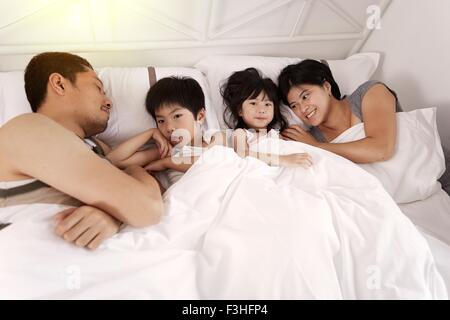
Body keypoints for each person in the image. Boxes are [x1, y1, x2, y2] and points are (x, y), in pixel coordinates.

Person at [0, 52, 164, 250]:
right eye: (98, 88)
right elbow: (147, 207)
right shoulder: (27, 129)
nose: (108, 101)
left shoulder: (99, 149)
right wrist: (132, 177)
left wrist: (113, 215)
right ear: (59, 84)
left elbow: (152, 198)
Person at [220, 68, 313, 167]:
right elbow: (243, 154)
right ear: (240, 110)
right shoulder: (241, 134)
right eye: (253, 103)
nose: (261, 110)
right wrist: (283, 160)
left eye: (267, 104)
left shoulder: (277, 135)